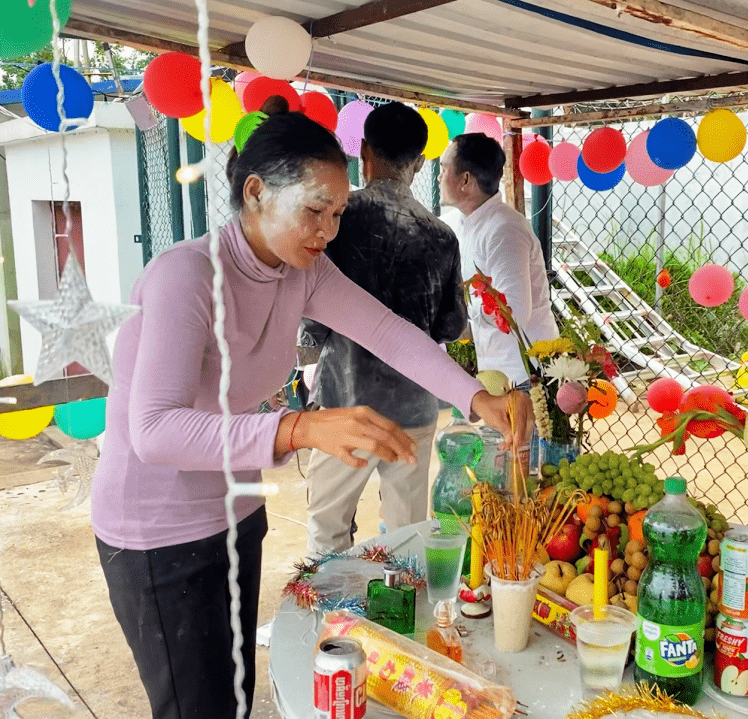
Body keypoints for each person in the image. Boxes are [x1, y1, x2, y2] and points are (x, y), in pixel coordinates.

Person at [91, 103, 528, 719]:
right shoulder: (185, 277)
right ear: (256, 192)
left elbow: (390, 332)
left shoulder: (302, 270)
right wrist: (300, 427)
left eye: (338, 214)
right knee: (198, 705)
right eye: (314, 212)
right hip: (156, 526)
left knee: (235, 695)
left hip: (235, 509)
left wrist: (477, 397)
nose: (327, 230)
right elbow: (155, 432)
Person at [301, 102, 466, 554]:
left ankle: (332, 618)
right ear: (419, 161)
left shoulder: (337, 217)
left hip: (345, 405)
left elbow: (313, 322)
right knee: (407, 535)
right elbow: (450, 326)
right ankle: (400, 621)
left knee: (328, 533)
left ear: (364, 153)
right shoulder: (441, 235)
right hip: (414, 405)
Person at [438, 132, 559, 387]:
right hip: (500, 373)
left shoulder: (504, 229)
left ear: (466, 180)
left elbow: (513, 312)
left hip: (527, 376)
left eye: (444, 169)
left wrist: (459, 320)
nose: (439, 177)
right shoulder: (465, 222)